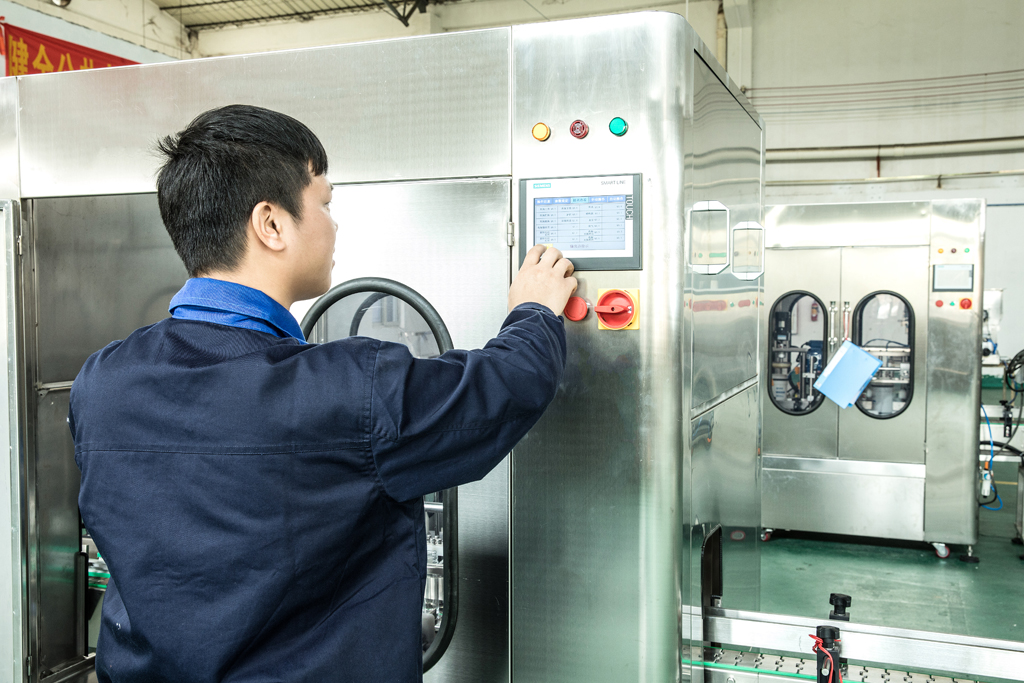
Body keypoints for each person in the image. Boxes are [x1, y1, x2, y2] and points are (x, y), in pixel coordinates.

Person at [69, 104, 576, 683]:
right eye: (325, 204)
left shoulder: (101, 381)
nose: (334, 226)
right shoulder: (347, 390)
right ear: (271, 224)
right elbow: (503, 388)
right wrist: (534, 309)